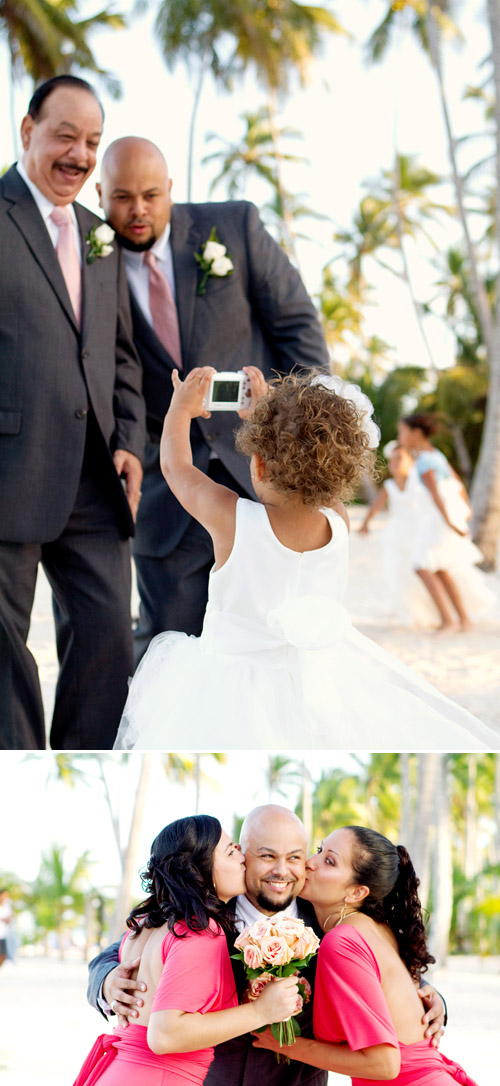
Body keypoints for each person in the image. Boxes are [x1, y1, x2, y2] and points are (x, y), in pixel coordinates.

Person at [114, 369, 499, 750]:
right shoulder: (339, 522)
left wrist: (179, 410)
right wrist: (268, 415)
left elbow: (176, 468)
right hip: (314, 688)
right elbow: (306, 478)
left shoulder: (232, 519)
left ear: (259, 465)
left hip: (229, 686)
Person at [96, 137, 329, 663]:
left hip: (262, 480)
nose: (137, 211)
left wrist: (297, 440)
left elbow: (298, 330)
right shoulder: (93, 258)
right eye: (122, 197)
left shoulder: (235, 226)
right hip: (166, 496)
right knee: (167, 653)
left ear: (171, 190)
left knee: (269, 646)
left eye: (151, 195)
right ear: (100, 194)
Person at [88, 805, 445, 1086]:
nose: (282, 870)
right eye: (266, 856)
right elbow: (115, 953)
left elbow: (381, 973)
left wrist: (431, 997)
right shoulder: (200, 909)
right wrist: (106, 982)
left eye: (294, 857)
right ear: (242, 854)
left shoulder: (328, 918)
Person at [0, 76, 145, 751]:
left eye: (91, 141)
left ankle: (84, 757)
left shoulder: (100, 239)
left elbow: (121, 356)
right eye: (66, 136)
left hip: (95, 479)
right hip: (7, 469)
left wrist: (132, 443)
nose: (80, 155)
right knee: (5, 655)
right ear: (27, 132)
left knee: (109, 637)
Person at [74, 814, 299, 1085]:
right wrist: (262, 1011)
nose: (242, 858)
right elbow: (165, 1036)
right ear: (202, 870)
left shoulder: (149, 922)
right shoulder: (199, 929)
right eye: (230, 852)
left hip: (121, 1071)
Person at [254, 826, 478, 1086]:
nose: (309, 863)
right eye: (318, 850)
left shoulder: (342, 940)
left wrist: (286, 1044)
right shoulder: (377, 927)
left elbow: (384, 1063)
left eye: (329, 860)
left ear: (357, 892)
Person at [398, 414, 494, 634]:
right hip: (440, 518)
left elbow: (435, 495)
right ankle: (463, 619)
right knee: (440, 568)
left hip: (436, 520)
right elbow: (457, 484)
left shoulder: (423, 461)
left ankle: (448, 620)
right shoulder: (436, 455)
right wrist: (466, 509)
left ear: (417, 433)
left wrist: (452, 523)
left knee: (421, 565)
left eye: (403, 432)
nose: (401, 437)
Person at [358, 445, 438, 627]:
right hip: (397, 534)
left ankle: (431, 609)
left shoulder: (419, 481)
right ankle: (409, 611)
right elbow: (376, 506)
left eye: (399, 459)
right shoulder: (389, 486)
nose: (394, 464)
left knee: (422, 570)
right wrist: (365, 523)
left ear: (411, 461)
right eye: (392, 460)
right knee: (399, 571)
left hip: (418, 532)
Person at [0, 890, 12, 968]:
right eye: (4, 895)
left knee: (4, 955)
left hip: (2, 934)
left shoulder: (6, 907)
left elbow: (9, 919)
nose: (5, 897)